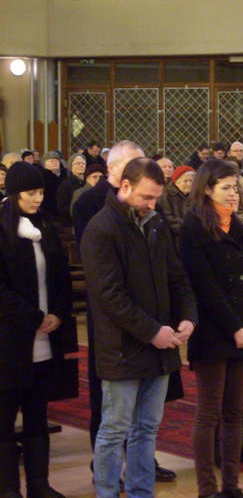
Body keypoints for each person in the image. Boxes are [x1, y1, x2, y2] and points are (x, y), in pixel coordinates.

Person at [81, 158, 197, 498]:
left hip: (159, 347)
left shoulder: (156, 223)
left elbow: (177, 277)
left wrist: (188, 316)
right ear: (125, 186)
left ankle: (140, 492)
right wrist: (152, 332)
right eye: (146, 197)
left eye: (156, 198)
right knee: (114, 429)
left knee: (146, 429)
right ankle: (106, 492)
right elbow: (109, 296)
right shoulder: (101, 229)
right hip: (122, 348)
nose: (152, 205)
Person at [179, 159, 243, 498]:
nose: (234, 194)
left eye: (236, 187)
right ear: (207, 189)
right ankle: (207, 489)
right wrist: (235, 328)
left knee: (235, 413)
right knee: (209, 413)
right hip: (213, 332)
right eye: (226, 188)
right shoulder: (194, 228)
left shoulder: (239, 226)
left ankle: (231, 486)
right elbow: (205, 287)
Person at [0, 162, 72, 498]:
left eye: (41, 192)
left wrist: (57, 313)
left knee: (37, 415)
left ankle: (40, 484)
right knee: (4, 419)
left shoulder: (45, 225)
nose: (38, 198)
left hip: (44, 337)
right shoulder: (2, 229)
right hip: (10, 339)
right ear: (14, 193)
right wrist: (33, 317)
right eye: (31, 193)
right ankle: (8, 488)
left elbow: (60, 278)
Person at [157, 165, 195, 239]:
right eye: (185, 181)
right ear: (177, 182)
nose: (189, 184)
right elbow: (167, 217)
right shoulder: (166, 196)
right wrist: (186, 229)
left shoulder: (195, 195)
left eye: (191, 181)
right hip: (174, 237)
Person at [56, 153, 86, 226]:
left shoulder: (87, 183)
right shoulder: (65, 184)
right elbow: (61, 207)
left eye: (83, 163)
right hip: (71, 222)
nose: (81, 165)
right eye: (77, 163)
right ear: (71, 167)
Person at [39, 151, 64, 219]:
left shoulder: (64, 176)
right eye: (51, 161)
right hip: (48, 212)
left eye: (56, 161)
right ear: (44, 164)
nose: (55, 162)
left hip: (62, 212)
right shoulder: (42, 177)